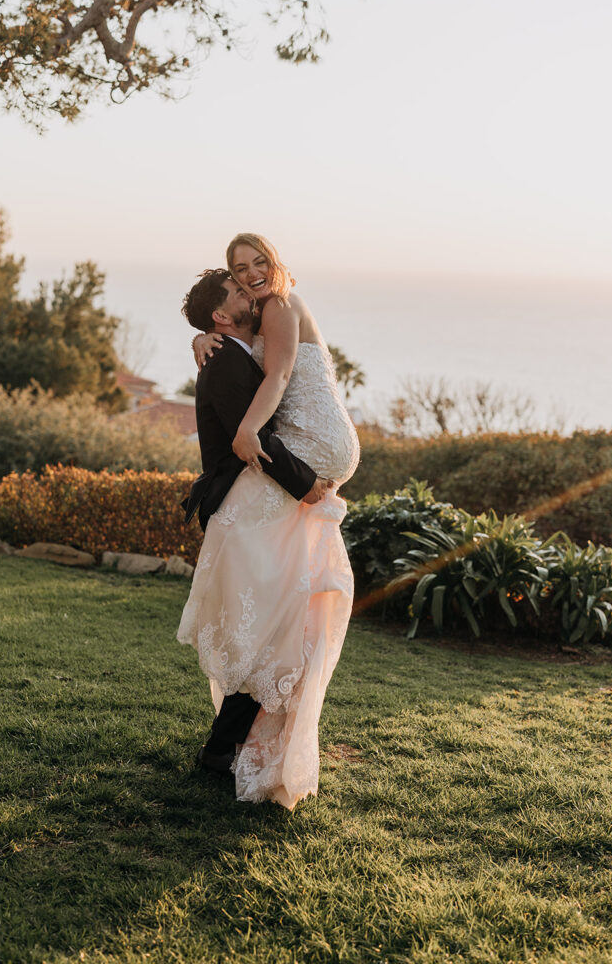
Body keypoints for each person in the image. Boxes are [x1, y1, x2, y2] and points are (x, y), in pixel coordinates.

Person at [183, 235, 359, 809]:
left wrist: (252, 439)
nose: (250, 278)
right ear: (222, 309)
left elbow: (279, 378)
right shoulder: (242, 336)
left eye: (256, 265)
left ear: (274, 262)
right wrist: (202, 338)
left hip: (308, 452)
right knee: (282, 612)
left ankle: (228, 743)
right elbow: (257, 373)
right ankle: (236, 743)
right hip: (298, 462)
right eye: (238, 275)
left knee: (276, 613)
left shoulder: (279, 306)